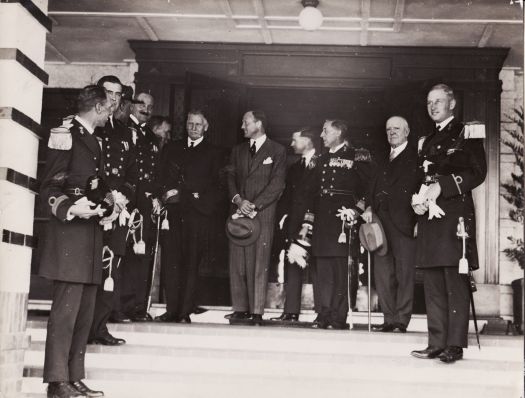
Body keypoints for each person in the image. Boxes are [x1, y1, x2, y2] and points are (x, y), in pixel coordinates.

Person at [39, 85, 112, 398]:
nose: (111, 112)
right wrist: (70, 208)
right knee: (65, 314)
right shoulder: (65, 134)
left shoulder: (95, 140)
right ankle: (57, 382)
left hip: (91, 235)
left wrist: (108, 204)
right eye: (108, 107)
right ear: (96, 107)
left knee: (84, 313)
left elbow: (93, 185)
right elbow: (50, 188)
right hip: (70, 235)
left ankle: (73, 377)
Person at [410, 84, 486, 363]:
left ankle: (454, 344)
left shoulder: (468, 132)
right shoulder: (426, 140)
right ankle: (436, 341)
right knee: (432, 282)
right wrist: (416, 200)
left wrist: (443, 186)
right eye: (429, 102)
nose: (433, 106)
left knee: (455, 281)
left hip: (454, 216)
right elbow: (421, 179)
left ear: (452, 104)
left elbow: (478, 172)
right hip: (430, 217)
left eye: (438, 101)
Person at [303, 119, 374, 330]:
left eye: (326, 131)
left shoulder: (357, 156)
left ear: (339, 133)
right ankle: (323, 314)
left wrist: (357, 211)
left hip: (345, 221)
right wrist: (309, 221)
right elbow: (311, 193)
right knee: (323, 270)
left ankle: (338, 316)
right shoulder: (320, 159)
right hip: (323, 221)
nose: (322, 135)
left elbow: (368, 188)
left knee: (342, 271)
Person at [155, 110, 222, 323]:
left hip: (197, 216)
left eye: (198, 125)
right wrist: (164, 193)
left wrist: (187, 194)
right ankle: (171, 309)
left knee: (191, 263)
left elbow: (217, 187)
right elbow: (161, 175)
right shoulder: (172, 148)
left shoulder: (214, 153)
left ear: (206, 127)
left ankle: (184, 312)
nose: (193, 128)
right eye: (190, 124)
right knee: (171, 262)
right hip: (172, 215)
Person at [87, 76, 138, 347]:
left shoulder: (123, 131)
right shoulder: (88, 127)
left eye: (118, 94)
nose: (114, 99)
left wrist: (123, 198)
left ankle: (99, 328)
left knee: (110, 271)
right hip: (93, 211)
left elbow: (132, 173)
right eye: (109, 92)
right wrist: (105, 199)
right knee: (89, 270)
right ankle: (82, 328)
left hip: (118, 211)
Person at [225, 110, 286, 325]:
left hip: (262, 214)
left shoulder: (277, 150)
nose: (242, 126)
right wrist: (238, 200)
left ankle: (257, 310)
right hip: (239, 212)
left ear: (258, 124)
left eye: (245, 122)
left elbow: (277, 184)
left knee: (260, 262)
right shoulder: (237, 150)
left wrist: (255, 205)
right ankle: (240, 309)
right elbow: (230, 177)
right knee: (238, 261)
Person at [362, 116, 419, 333]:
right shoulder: (381, 158)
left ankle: (401, 320)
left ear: (407, 132)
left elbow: (423, 189)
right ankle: (388, 318)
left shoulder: (416, 157)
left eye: (396, 129)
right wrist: (368, 207)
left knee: (404, 273)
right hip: (379, 225)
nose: (392, 132)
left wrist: (418, 222)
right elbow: (370, 188)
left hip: (405, 223)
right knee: (383, 273)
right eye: (388, 129)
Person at [120, 92, 162, 322]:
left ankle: (136, 307)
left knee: (141, 255)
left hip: (145, 205)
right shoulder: (122, 130)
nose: (146, 108)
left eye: (150, 105)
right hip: (127, 202)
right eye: (141, 104)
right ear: (131, 106)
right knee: (124, 255)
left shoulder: (152, 138)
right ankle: (119, 307)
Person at [271, 128, 320, 322]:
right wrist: (283, 218)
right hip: (294, 224)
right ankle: (291, 312)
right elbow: (287, 198)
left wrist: (310, 221)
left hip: (316, 224)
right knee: (292, 265)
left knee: (317, 268)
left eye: (295, 140)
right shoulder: (294, 168)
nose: (291, 144)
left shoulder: (323, 164)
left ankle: (321, 313)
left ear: (307, 140)